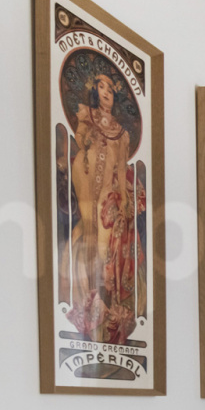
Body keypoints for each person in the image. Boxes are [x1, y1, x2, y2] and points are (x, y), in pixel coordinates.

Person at [65, 71, 140, 344]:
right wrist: (86, 139)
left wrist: (125, 200)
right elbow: (79, 139)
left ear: (115, 94)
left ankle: (102, 299)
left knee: (104, 242)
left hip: (107, 190)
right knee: (87, 228)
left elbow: (120, 169)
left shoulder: (121, 134)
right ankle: (86, 295)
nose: (105, 92)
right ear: (95, 90)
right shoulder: (88, 115)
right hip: (85, 178)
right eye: (100, 86)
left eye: (109, 88)